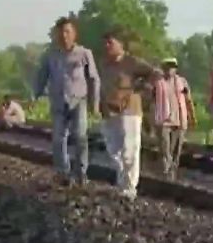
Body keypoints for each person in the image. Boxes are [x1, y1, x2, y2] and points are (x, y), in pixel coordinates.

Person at [34, 16, 101, 187]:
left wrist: (95, 102)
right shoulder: (51, 56)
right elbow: (42, 77)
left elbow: (93, 78)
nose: (64, 35)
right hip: (58, 101)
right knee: (58, 139)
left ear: (74, 34)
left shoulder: (85, 54)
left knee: (80, 137)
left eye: (67, 32)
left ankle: (80, 173)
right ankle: (62, 172)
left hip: (79, 101)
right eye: (61, 32)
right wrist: (35, 95)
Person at [96, 28, 160, 200]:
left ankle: (129, 188)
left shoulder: (132, 62)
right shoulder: (103, 64)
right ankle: (122, 181)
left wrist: (141, 88)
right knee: (113, 150)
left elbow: (155, 74)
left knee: (129, 150)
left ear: (120, 44)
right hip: (109, 109)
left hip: (130, 109)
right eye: (105, 42)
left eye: (111, 42)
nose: (107, 45)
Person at [153, 58, 196, 180]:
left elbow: (188, 99)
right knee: (165, 148)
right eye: (167, 67)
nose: (169, 70)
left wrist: (192, 116)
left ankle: (172, 174)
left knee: (176, 150)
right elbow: (152, 101)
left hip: (180, 120)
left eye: (172, 67)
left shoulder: (182, 82)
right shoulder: (159, 83)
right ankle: (166, 172)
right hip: (165, 120)